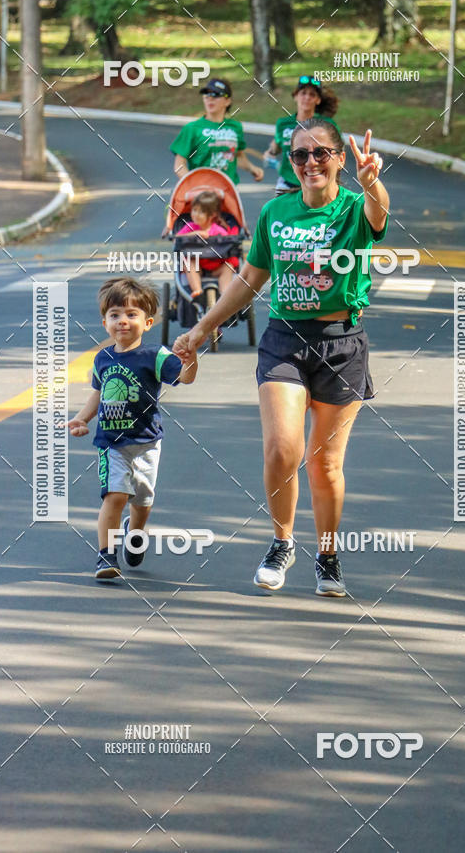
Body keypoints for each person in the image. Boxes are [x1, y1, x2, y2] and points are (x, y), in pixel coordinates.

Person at [173, 118, 389, 597]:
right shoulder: (276, 212)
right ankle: (282, 542)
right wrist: (202, 327)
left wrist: (373, 182)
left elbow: (378, 216)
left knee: (325, 464)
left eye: (321, 154)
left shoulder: (355, 207)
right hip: (284, 339)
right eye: (299, 155)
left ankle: (328, 556)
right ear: (290, 162)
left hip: (342, 342)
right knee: (281, 449)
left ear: (338, 159)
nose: (310, 162)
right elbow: (250, 277)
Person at [68, 277, 198, 581]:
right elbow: (98, 394)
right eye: (115, 315)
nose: (122, 321)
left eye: (131, 314)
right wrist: (81, 418)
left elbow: (186, 379)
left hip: (146, 443)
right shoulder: (103, 357)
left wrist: (191, 361)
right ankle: (106, 554)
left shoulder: (156, 356)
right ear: (104, 323)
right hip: (111, 443)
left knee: (141, 501)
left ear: (148, 322)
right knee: (114, 496)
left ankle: (135, 532)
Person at [171, 77, 264, 184]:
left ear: (227, 101)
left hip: (228, 191)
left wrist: (252, 169)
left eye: (216, 95)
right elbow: (179, 165)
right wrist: (192, 185)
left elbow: (238, 156)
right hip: (201, 193)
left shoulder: (235, 127)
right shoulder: (192, 128)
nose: (210, 98)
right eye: (207, 94)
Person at [265, 76, 340, 195]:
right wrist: (270, 153)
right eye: (303, 93)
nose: (307, 98)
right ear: (295, 96)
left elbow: (336, 154)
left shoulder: (327, 125)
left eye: (312, 95)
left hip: (315, 183)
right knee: (279, 212)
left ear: (318, 100)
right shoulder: (283, 124)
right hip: (288, 183)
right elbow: (277, 145)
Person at [177, 190, 239, 300]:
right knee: (188, 262)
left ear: (212, 215)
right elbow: (177, 238)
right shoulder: (190, 227)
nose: (195, 214)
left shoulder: (218, 230)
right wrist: (195, 234)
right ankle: (197, 290)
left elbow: (228, 242)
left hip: (217, 267)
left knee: (228, 267)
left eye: (200, 212)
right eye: (194, 210)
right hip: (198, 267)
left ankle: (224, 295)